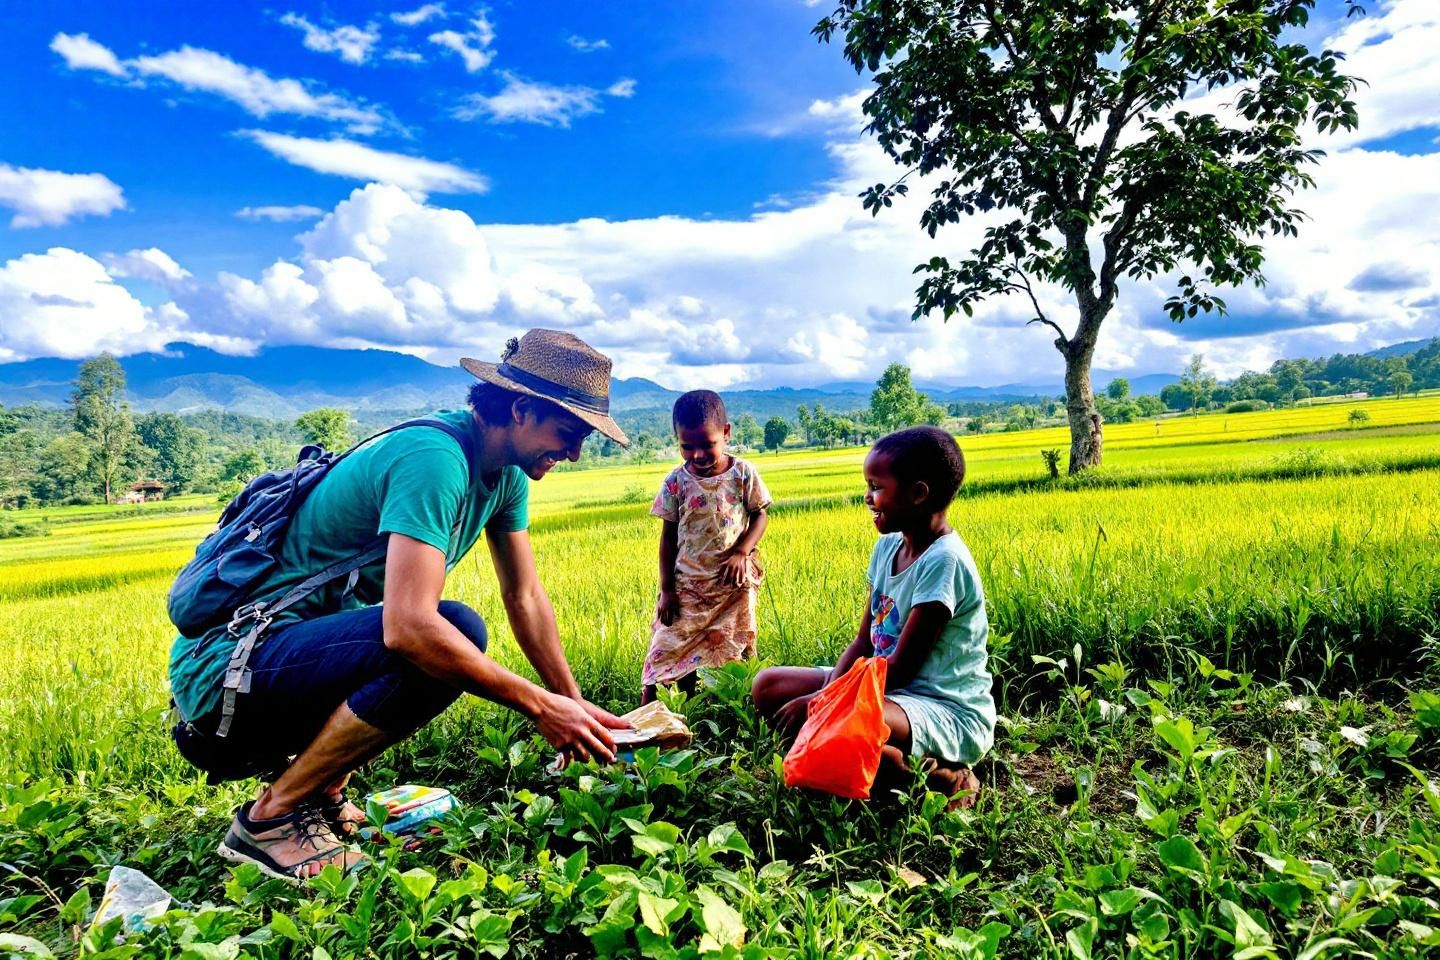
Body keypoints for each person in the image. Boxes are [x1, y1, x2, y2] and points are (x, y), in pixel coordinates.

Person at [167, 329, 633, 882]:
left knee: (445, 633)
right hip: (224, 684)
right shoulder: (433, 460)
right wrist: (539, 706)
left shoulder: (505, 475)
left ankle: (314, 791)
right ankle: (273, 815)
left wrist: (575, 708)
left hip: (280, 672)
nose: (574, 452)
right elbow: (408, 629)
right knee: (449, 629)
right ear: (519, 408)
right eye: (568, 432)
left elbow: (525, 597)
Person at [751, 426, 995, 807]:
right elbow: (865, 642)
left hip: (942, 706)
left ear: (918, 494)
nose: (868, 497)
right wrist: (824, 696)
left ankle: (948, 778)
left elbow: (900, 668)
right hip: (885, 694)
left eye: (876, 487)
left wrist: (821, 705)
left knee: (845, 726)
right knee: (767, 686)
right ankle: (865, 754)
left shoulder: (944, 562)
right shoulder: (886, 549)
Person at [644, 390, 771, 703]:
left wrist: (743, 552)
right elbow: (668, 538)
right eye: (687, 447)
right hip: (687, 585)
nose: (697, 455)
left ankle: (735, 709)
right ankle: (642, 722)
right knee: (665, 647)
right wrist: (667, 589)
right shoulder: (676, 481)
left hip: (731, 585)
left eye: (707, 444)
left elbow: (760, 516)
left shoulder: (743, 473)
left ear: (725, 434)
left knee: (730, 649)